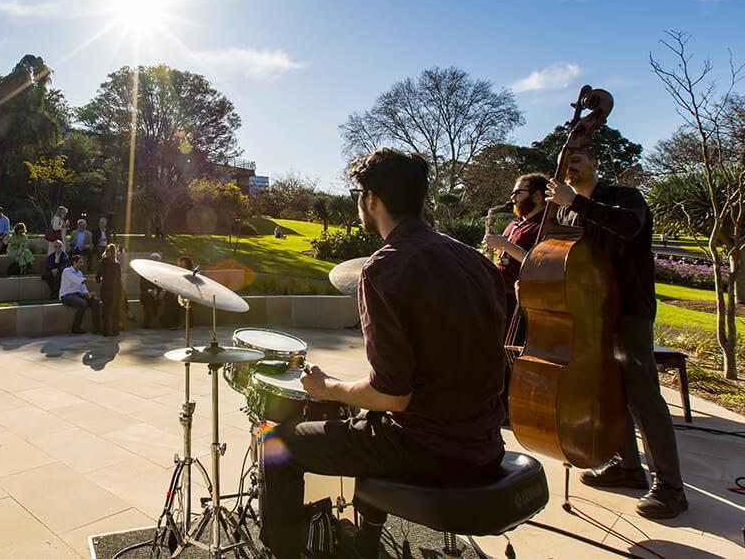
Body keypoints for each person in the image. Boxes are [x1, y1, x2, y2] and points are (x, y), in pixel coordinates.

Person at [260, 149, 507, 559]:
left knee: (277, 445)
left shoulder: (384, 267)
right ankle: (365, 543)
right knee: (367, 421)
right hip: (484, 444)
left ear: (371, 199)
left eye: (357, 195)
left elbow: (393, 396)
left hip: (429, 451)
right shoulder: (477, 262)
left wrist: (327, 388)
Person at [545, 148, 686, 519]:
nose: (569, 166)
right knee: (607, 388)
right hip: (589, 312)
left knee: (643, 395)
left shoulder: (624, 197)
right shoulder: (564, 211)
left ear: (595, 165)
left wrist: (574, 201)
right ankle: (627, 466)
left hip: (628, 309)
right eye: (565, 161)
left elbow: (627, 227)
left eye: (577, 159)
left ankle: (671, 486)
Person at [483, 172, 548, 415]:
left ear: (538, 196)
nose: (513, 198)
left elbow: (540, 263)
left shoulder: (544, 226)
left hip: (521, 299)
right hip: (500, 294)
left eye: (518, 193)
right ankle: (495, 403)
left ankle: (511, 407)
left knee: (512, 353)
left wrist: (506, 245)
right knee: (495, 351)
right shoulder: (515, 224)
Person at [58, 254, 100, 334]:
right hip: (67, 296)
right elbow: (79, 280)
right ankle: (75, 327)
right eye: (80, 262)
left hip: (78, 294)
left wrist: (87, 294)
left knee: (95, 301)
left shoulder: (80, 273)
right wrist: (94, 281)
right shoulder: (67, 271)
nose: (82, 264)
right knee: (83, 303)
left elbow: (82, 287)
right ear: (74, 262)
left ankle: (96, 328)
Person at [96, 243, 123, 336]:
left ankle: (106, 331)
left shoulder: (103, 261)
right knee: (115, 309)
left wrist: (99, 280)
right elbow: (119, 277)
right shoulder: (117, 264)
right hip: (117, 288)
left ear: (106, 252)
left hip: (106, 288)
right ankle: (116, 331)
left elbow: (98, 276)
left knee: (106, 309)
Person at [139, 252, 164, 328]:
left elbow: (168, 283)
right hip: (149, 292)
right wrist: (150, 291)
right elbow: (142, 285)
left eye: (157, 261)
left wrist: (163, 291)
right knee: (144, 296)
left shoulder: (163, 271)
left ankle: (164, 318)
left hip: (161, 292)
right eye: (153, 260)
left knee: (172, 297)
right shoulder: (144, 271)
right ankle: (148, 317)